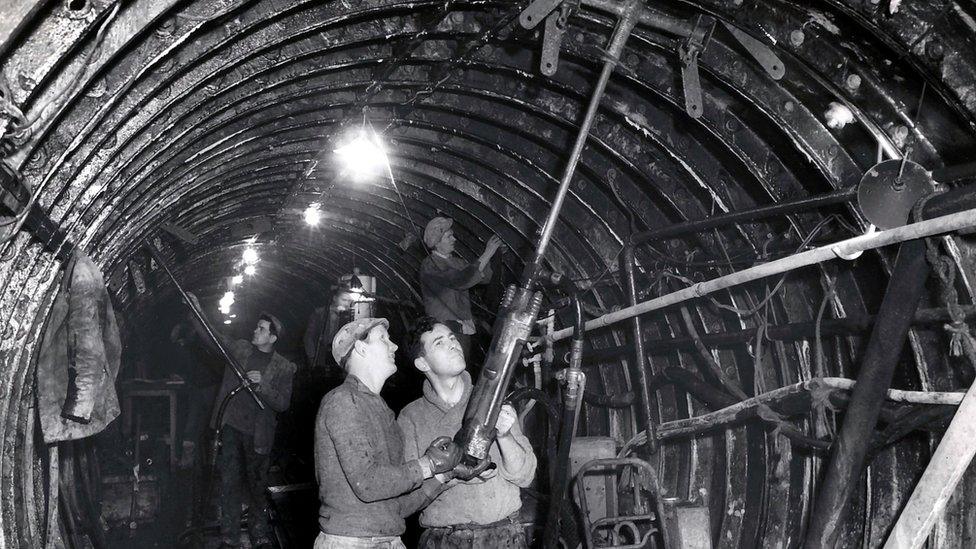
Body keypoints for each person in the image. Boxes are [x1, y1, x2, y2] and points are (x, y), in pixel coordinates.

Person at [314, 318, 462, 548]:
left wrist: (445, 475)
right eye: (383, 339)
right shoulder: (343, 401)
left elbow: (397, 507)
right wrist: (428, 464)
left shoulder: (383, 412)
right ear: (361, 349)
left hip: (387, 540)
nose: (393, 346)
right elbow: (368, 484)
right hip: (351, 542)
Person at [400, 317, 536, 548]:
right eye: (439, 343)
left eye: (453, 338)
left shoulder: (494, 399)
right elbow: (408, 496)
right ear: (422, 363)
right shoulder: (411, 418)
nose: (453, 344)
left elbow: (525, 476)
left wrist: (505, 436)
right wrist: (453, 475)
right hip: (446, 540)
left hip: (506, 536)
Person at [186, 293, 296, 549]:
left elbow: (283, 404)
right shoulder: (240, 348)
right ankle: (229, 536)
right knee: (229, 482)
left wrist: (263, 386)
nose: (254, 330)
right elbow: (212, 337)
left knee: (257, 487)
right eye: (257, 326)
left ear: (273, 337)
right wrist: (196, 310)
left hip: (258, 435)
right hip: (232, 428)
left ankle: (258, 535)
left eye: (261, 329)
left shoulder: (284, 368)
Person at [419, 217, 502, 357]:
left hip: (462, 327)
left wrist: (496, 255)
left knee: (462, 366)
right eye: (448, 236)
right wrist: (488, 252)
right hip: (444, 329)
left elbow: (484, 277)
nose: (454, 239)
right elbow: (461, 280)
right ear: (437, 242)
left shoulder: (456, 262)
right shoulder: (430, 265)